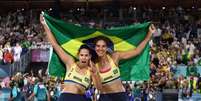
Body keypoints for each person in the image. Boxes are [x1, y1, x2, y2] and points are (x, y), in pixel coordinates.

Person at [40, 15, 102, 101]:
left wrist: (95, 73)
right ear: (78, 55)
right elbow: (55, 45)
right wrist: (44, 24)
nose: (84, 58)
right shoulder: (70, 63)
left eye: (86, 55)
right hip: (65, 98)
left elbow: (99, 87)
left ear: (90, 57)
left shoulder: (92, 70)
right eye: (82, 55)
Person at [92, 24, 156, 101]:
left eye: (103, 46)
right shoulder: (93, 65)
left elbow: (136, 51)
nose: (100, 49)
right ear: (94, 48)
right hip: (105, 98)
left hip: (120, 97)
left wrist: (149, 35)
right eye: (98, 46)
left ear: (106, 47)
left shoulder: (115, 56)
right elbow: (98, 87)